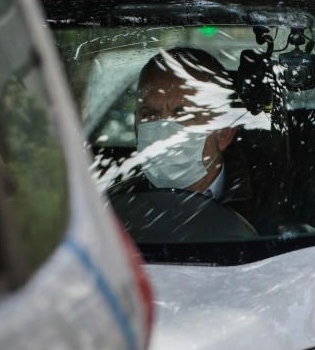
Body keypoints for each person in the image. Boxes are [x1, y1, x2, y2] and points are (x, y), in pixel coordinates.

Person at [111, 47, 279, 234]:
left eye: (183, 114)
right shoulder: (113, 212)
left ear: (223, 132)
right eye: (150, 115)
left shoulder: (276, 205)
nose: (163, 129)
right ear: (136, 128)